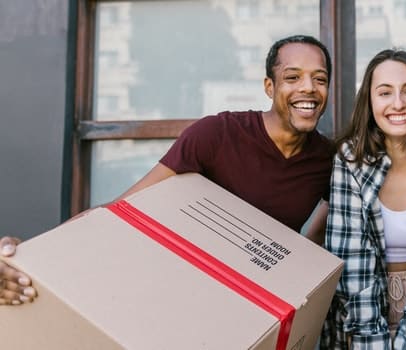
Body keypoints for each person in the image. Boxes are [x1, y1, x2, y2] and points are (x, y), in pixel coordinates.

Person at [0, 34, 334, 306]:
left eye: (319, 79)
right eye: (292, 77)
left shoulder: (327, 161)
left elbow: (318, 237)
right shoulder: (217, 135)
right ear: (269, 87)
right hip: (184, 293)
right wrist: (30, 256)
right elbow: (121, 211)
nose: (308, 88)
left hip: (257, 306)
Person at [321, 49, 406, 349]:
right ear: (370, 101)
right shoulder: (351, 159)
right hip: (362, 312)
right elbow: (350, 259)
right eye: (385, 93)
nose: (398, 104)